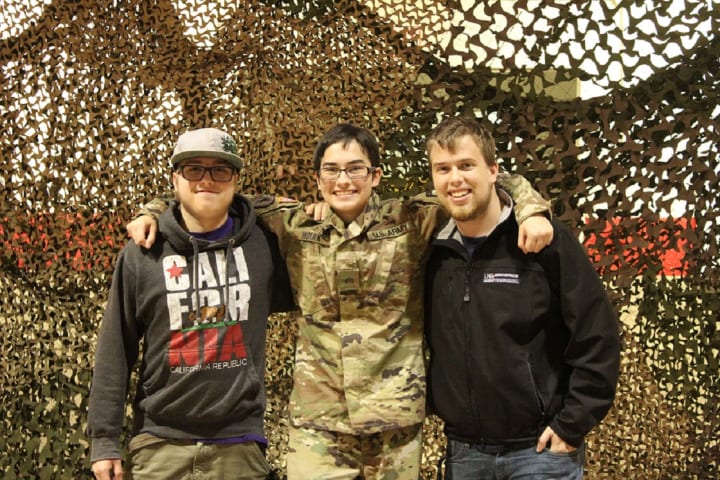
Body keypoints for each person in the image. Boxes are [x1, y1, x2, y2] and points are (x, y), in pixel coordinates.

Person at [126, 123, 553, 480]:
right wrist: (152, 210)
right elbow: (214, 195)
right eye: (331, 170)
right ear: (317, 180)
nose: (343, 181)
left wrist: (531, 210)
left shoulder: (412, 219)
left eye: (355, 169)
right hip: (319, 425)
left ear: (376, 175)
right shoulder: (293, 223)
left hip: (395, 424)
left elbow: (486, 183)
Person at [87, 128, 294, 480]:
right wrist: (104, 440)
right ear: (175, 178)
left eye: (220, 170)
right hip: (159, 445)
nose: (206, 180)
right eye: (193, 169)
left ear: (236, 179)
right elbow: (115, 347)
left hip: (239, 446)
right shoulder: (143, 253)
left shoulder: (264, 247)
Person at [424, 116, 621, 479]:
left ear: (493, 171)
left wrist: (573, 423)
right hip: (464, 452)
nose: (455, 179)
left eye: (466, 165)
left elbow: (596, 333)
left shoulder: (544, 241)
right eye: (443, 169)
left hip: (539, 452)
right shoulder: (430, 250)